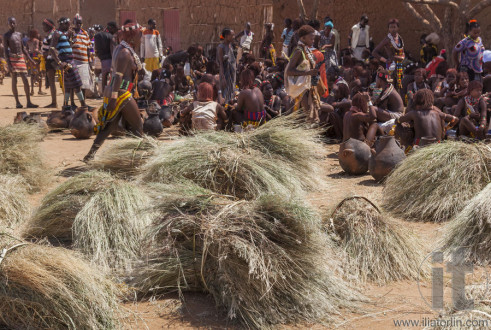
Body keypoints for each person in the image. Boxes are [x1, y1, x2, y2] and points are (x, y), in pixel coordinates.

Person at [84, 21, 144, 162]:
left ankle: (90, 155)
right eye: (139, 36)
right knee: (137, 126)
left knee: (109, 126)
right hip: (121, 94)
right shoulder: (124, 52)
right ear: (132, 36)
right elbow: (118, 76)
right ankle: (138, 159)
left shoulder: (122, 48)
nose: (141, 39)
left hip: (117, 92)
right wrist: (113, 98)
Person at [285, 25, 320, 123]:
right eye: (311, 39)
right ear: (303, 38)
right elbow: (289, 71)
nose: (313, 41)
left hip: (308, 87)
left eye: (313, 39)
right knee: (308, 117)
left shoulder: (306, 50)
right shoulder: (298, 51)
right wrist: (308, 72)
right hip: (302, 89)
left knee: (311, 116)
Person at [50, 17, 86, 108]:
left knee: (68, 86)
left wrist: (71, 37)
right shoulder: (57, 34)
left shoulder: (66, 33)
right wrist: (59, 63)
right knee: (77, 84)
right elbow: (52, 49)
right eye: (68, 25)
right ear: (63, 24)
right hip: (66, 62)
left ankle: (65, 105)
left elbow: (69, 45)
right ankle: (83, 105)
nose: (70, 27)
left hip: (70, 60)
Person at [3, 17, 38, 108]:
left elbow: (23, 49)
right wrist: (9, 64)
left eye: (14, 23)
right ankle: (17, 102)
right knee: (14, 80)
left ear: (16, 23)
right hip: (12, 58)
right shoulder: (6, 36)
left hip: (21, 58)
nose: (12, 25)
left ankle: (29, 102)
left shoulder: (19, 34)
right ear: (8, 24)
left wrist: (31, 60)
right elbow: (5, 51)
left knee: (25, 80)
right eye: (10, 23)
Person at [373, 19, 405, 92]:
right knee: (392, 85)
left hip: (400, 64)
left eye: (394, 27)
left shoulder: (399, 38)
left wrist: (402, 57)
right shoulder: (387, 40)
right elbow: (374, 52)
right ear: (388, 29)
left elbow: (402, 51)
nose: (392, 29)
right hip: (392, 66)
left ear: (398, 28)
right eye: (390, 27)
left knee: (400, 85)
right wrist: (385, 60)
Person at [371, 69, 404, 135]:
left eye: (376, 79)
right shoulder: (388, 87)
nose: (375, 81)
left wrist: (369, 101)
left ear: (380, 80)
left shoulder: (387, 91)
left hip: (397, 115)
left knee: (373, 108)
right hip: (392, 113)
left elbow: (377, 105)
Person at [71, 14, 93, 101]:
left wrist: (90, 61)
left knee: (84, 84)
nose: (79, 25)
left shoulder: (85, 33)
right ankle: (72, 102)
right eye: (77, 23)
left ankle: (83, 103)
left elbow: (89, 48)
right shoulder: (71, 33)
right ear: (73, 23)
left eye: (80, 23)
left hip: (84, 62)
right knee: (73, 84)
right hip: (74, 61)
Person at [94, 21, 118, 89]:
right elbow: (112, 50)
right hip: (111, 61)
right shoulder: (111, 37)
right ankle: (112, 92)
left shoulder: (99, 36)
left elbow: (96, 50)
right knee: (113, 78)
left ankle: (104, 95)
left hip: (103, 61)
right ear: (111, 28)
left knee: (104, 78)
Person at [41, 18, 57, 107]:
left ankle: (54, 103)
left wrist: (46, 54)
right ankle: (55, 102)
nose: (43, 27)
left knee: (52, 82)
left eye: (44, 25)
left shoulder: (51, 36)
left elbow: (52, 49)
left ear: (49, 26)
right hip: (52, 60)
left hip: (51, 60)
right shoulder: (52, 35)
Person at [217, 28, 236, 103]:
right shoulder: (221, 47)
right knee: (225, 91)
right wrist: (222, 77)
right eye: (232, 35)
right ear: (227, 36)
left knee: (231, 90)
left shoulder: (230, 45)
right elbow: (220, 63)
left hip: (231, 74)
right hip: (225, 74)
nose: (234, 37)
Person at [26, 28, 43, 96]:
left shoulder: (28, 41)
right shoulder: (36, 40)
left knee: (32, 74)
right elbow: (36, 49)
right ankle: (39, 90)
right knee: (40, 73)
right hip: (36, 58)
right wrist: (41, 52)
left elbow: (26, 50)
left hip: (30, 58)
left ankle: (32, 90)